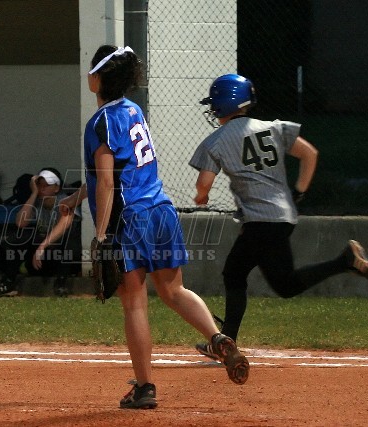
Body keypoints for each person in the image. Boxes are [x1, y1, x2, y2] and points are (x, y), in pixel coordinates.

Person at [68, 45, 250, 410]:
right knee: (173, 290)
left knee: (135, 305)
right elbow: (121, 170)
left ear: (99, 78)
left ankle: (145, 388)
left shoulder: (100, 122)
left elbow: (108, 182)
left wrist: (101, 234)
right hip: (160, 210)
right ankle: (218, 338)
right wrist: (77, 197)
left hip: (130, 219)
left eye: (92, 69)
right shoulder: (133, 111)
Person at [189, 73, 368, 359]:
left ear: (223, 104)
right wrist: (298, 193)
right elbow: (309, 153)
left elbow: (204, 184)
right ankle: (226, 342)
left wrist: (201, 196)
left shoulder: (216, 141)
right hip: (282, 216)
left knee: (259, 279)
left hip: (260, 221)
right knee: (250, 276)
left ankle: (345, 261)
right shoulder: (273, 127)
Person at [0, 168, 80, 297]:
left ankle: (61, 284)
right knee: (18, 238)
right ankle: (9, 282)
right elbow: (20, 223)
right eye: (39, 185)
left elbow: (63, 227)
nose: (42, 188)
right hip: (43, 255)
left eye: (46, 185)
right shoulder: (36, 201)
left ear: (56, 188)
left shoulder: (65, 200)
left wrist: (42, 246)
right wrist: (33, 194)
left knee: (68, 241)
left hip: (66, 256)